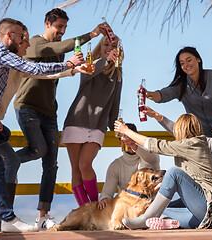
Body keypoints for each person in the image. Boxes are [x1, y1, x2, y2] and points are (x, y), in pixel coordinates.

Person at [0, 26, 91, 231]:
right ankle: (6, 219)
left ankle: (1, 218)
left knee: (8, 150)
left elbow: (37, 75)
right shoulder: (5, 56)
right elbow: (36, 70)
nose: (28, 44)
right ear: (9, 36)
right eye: (24, 40)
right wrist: (69, 62)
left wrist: (71, 71)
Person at [13, 8, 108, 230]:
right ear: (47, 24)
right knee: (38, 150)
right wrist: (91, 35)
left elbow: (57, 74)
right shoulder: (35, 43)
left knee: (52, 163)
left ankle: (42, 216)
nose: (62, 31)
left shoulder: (61, 51)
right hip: (27, 107)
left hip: (49, 112)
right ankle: (7, 160)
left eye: (65, 28)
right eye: (59, 27)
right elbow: (56, 48)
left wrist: (75, 67)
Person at [113, 112, 212, 230]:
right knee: (155, 208)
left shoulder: (193, 144)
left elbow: (156, 145)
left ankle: (145, 219)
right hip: (209, 217)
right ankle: (167, 223)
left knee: (173, 172)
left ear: (181, 130)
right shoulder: (195, 145)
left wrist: (127, 131)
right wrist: (165, 186)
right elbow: (192, 180)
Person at [61, 34, 123, 207]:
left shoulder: (117, 72)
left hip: (98, 126)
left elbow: (115, 101)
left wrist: (116, 127)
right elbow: (88, 74)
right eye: (106, 45)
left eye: (113, 46)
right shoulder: (88, 65)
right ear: (100, 46)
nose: (109, 49)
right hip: (76, 120)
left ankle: (95, 208)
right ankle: (85, 212)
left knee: (85, 164)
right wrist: (105, 60)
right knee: (76, 170)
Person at [144, 47, 212, 137]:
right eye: (182, 63)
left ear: (198, 59)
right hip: (201, 138)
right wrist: (148, 94)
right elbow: (163, 94)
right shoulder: (181, 85)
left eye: (189, 60)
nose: (186, 65)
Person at [98, 123, 160, 210]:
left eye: (133, 138)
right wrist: (104, 199)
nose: (129, 142)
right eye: (126, 139)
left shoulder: (148, 156)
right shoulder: (115, 165)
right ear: (120, 143)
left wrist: (134, 146)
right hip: (127, 207)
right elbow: (108, 191)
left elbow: (153, 159)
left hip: (150, 205)